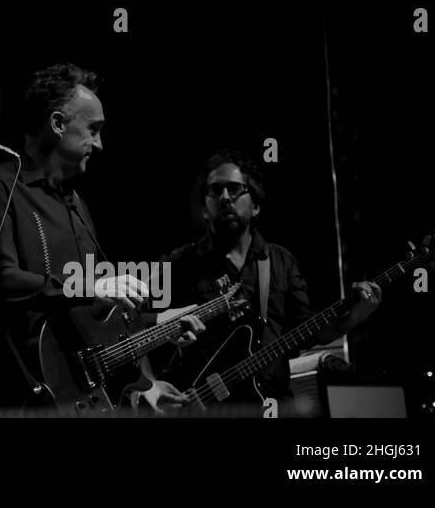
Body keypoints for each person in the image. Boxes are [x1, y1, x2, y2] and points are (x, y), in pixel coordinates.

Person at [0, 63, 199, 413]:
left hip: (83, 398)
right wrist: (88, 286)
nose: (100, 144)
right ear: (57, 124)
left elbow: (102, 316)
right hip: (26, 394)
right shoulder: (4, 186)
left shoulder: (77, 204)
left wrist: (159, 325)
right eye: (93, 130)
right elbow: (0, 279)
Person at [155, 150, 380, 412]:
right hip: (200, 407)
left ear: (256, 205)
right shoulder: (178, 264)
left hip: (270, 405)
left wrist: (355, 316)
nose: (225, 197)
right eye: (215, 190)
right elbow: (148, 337)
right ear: (204, 208)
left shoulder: (280, 261)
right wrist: (158, 390)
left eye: (235, 189)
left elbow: (309, 331)